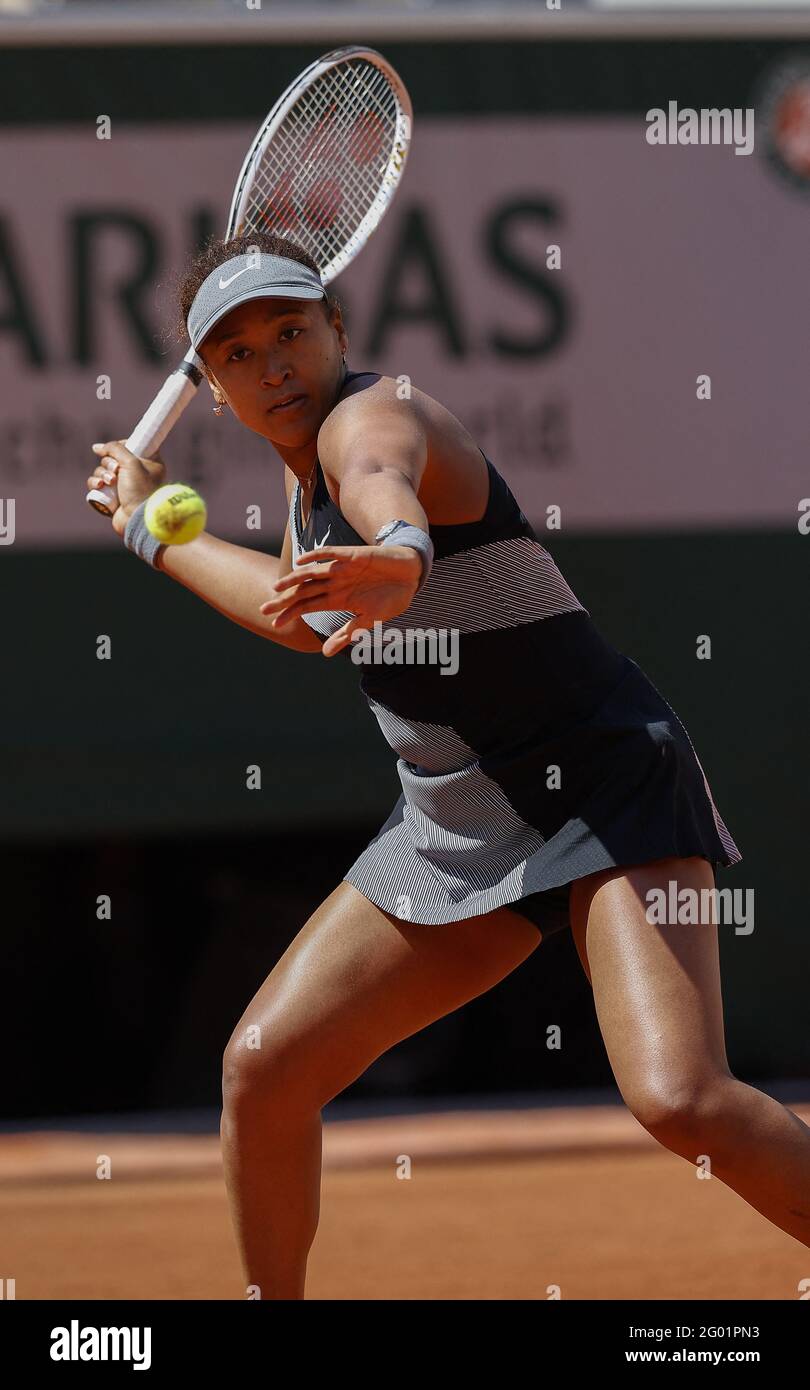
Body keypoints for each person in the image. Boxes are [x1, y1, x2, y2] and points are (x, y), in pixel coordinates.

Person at [86, 230, 810, 1298]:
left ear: (340, 329)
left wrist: (401, 554)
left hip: (599, 779)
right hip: (457, 815)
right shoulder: (300, 482)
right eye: (238, 353)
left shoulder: (374, 419)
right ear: (218, 386)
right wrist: (153, 524)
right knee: (265, 1071)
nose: (273, 362)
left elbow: (387, 487)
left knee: (681, 1098)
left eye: (291, 330)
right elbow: (298, 617)